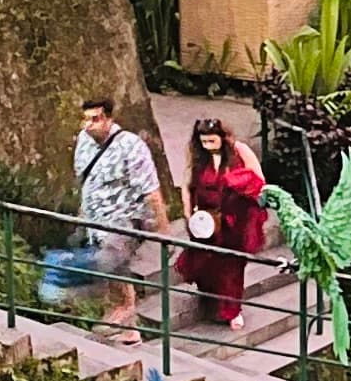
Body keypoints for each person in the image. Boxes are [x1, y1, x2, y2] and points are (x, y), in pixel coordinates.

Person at [40, 96, 165, 319]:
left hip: (123, 222)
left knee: (107, 262)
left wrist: (164, 231)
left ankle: (76, 287)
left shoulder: (131, 146)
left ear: (108, 119)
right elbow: (85, 181)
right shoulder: (84, 141)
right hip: (94, 222)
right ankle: (130, 330)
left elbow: (151, 190)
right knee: (117, 276)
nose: (89, 125)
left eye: (95, 119)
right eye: (86, 119)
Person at [177, 111, 268, 327]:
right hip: (205, 220)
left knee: (231, 267)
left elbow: (259, 180)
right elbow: (187, 185)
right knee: (205, 262)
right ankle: (210, 301)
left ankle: (231, 309)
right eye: (204, 141)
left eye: (212, 140)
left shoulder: (239, 151)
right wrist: (188, 213)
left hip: (234, 220)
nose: (208, 145)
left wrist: (239, 184)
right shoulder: (198, 158)